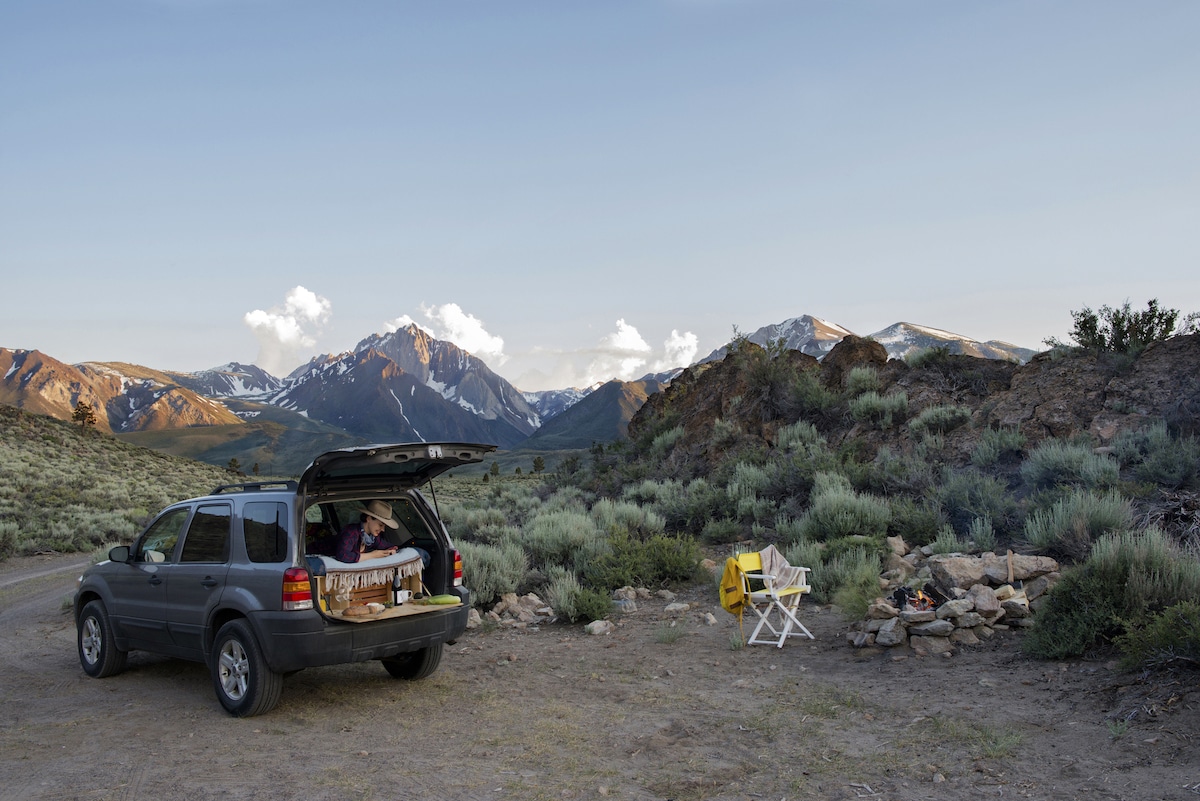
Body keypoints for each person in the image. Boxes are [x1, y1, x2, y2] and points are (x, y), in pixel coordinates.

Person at [334, 500, 429, 567]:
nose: (383, 530)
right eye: (380, 525)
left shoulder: (373, 538)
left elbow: (389, 546)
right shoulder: (351, 532)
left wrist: (391, 551)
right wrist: (372, 555)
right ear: (368, 519)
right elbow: (343, 555)